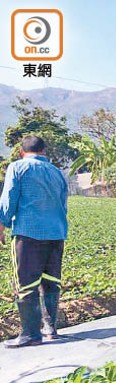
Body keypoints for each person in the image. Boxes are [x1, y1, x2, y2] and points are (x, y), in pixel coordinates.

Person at [0, 136, 68, 348]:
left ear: (22, 152)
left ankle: (30, 334)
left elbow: (9, 199)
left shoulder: (17, 167)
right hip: (56, 233)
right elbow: (63, 203)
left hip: (28, 233)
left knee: (26, 283)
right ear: (44, 151)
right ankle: (50, 328)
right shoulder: (57, 173)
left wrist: (1, 226)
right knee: (51, 281)